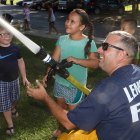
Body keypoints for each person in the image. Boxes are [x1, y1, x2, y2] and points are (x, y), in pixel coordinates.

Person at [27, 30, 140, 140]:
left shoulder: (107, 90)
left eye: (105, 46)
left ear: (122, 54)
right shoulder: (137, 72)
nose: (99, 50)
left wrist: (45, 97)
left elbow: (69, 123)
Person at [43, 8, 99, 138]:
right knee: (60, 109)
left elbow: (95, 64)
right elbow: (54, 60)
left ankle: (75, 135)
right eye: (67, 19)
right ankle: (60, 128)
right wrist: (47, 74)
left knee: (74, 116)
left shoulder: (88, 43)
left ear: (82, 27)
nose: (67, 23)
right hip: (59, 82)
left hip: (76, 85)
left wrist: (77, 60)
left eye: (72, 21)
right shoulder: (62, 39)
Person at [0, 26, 30, 135]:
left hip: (14, 80)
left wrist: (24, 77)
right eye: (1, 34)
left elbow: (21, 62)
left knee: (15, 98)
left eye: (8, 33)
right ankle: (10, 125)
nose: (5, 36)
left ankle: (13, 108)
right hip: (1, 82)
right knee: (4, 103)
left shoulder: (16, 48)